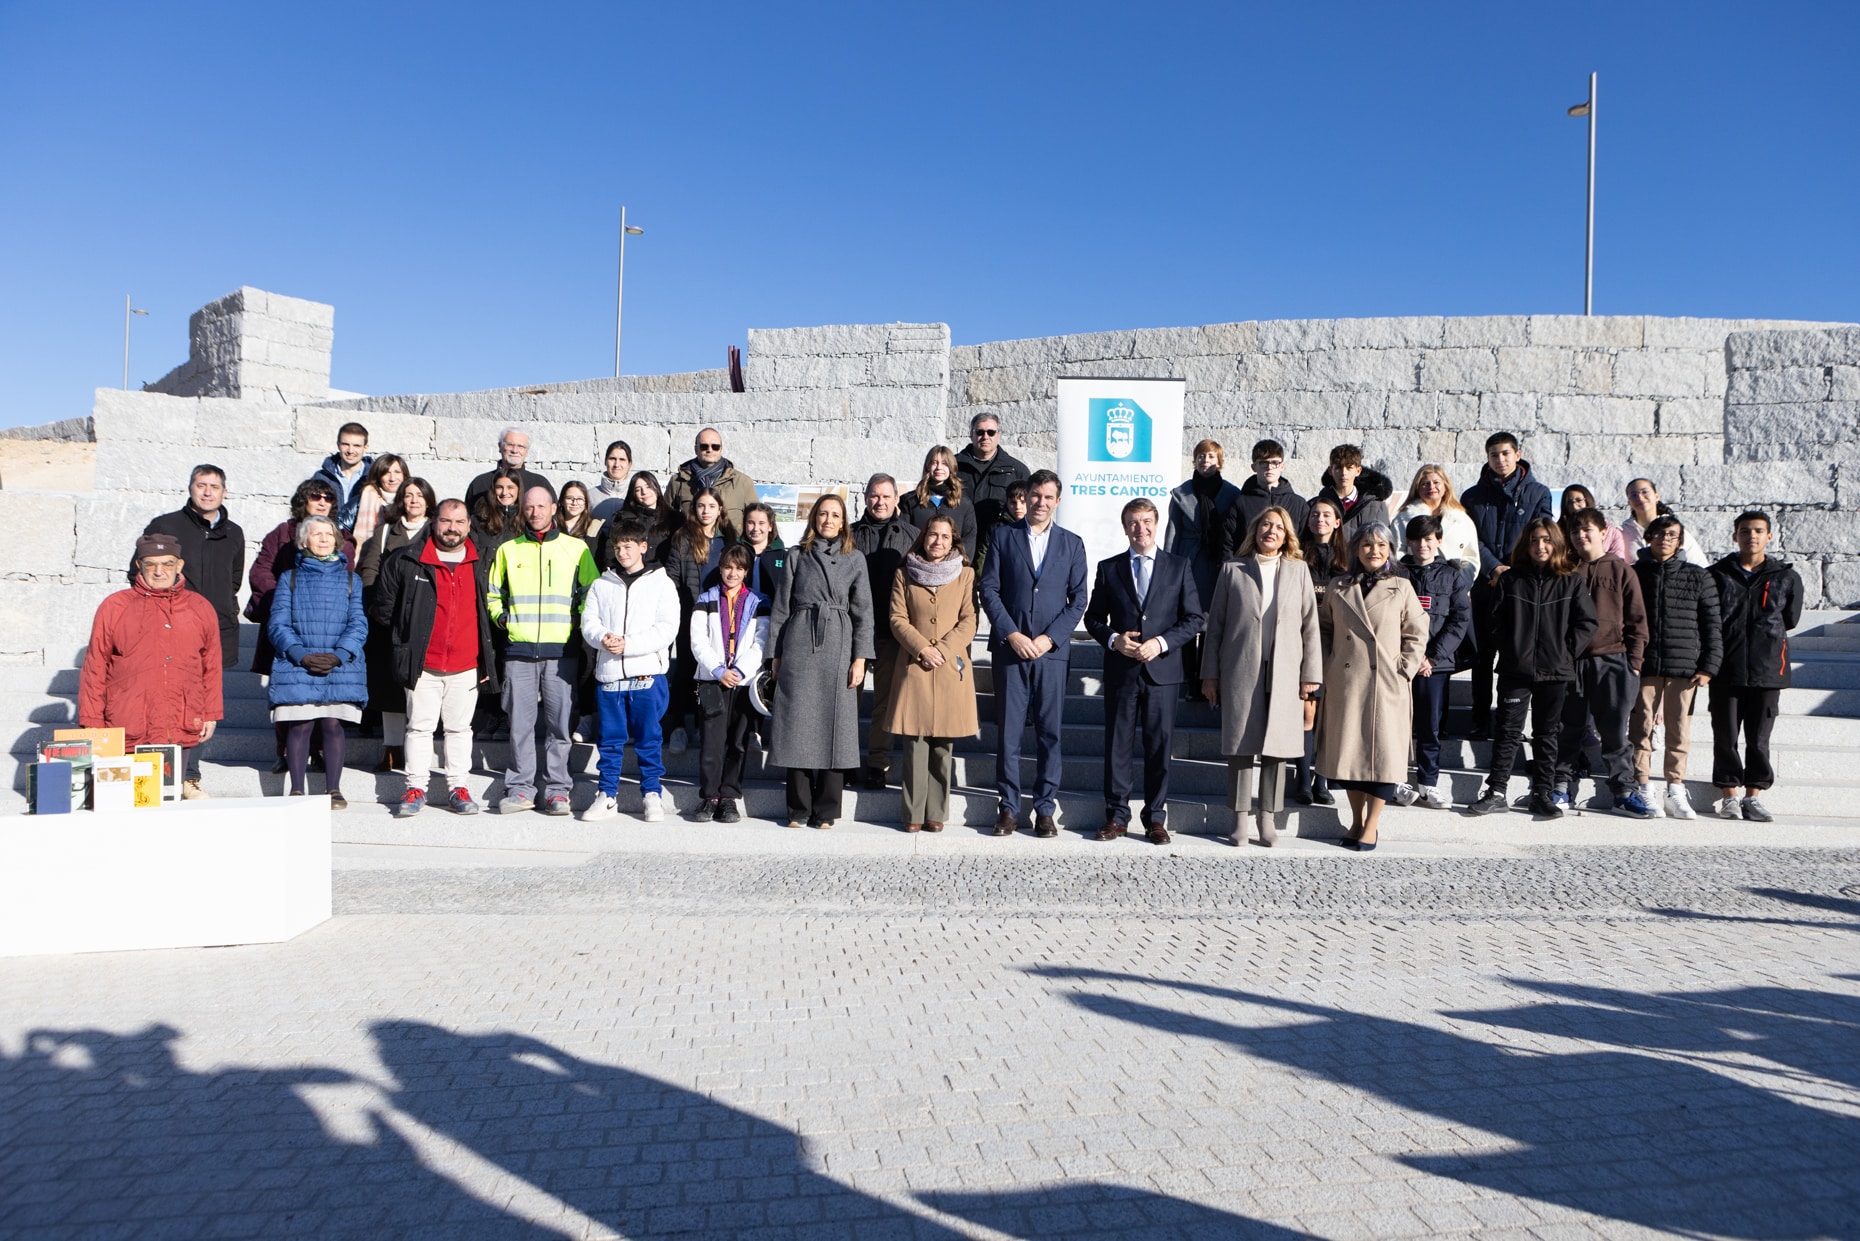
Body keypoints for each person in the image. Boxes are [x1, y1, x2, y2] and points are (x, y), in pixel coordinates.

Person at [1084, 498, 1204, 844]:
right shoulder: (1110, 568)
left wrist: (1162, 643)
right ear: (1125, 528)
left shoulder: (1178, 566)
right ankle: (1117, 816)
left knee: (1158, 748)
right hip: (1122, 671)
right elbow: (1093, 618)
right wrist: (1113, 640)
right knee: (1117, 747)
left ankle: (1155, 818)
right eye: (1134, 523)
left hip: (1162, 673)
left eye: (1147, 521)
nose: (1141, 528)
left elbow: (1194, 618)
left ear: (1156, 523)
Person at [1200, 507, 1323, 847]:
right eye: (1265, 524)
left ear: (1287, 537)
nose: (1271, 531)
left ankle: (1267, 818)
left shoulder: (1299, 571)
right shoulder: (1233, 569)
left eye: (1279, 528)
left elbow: (1310, 625)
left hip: (1285, 669)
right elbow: (1216, 628)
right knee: (1241, 745)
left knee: (1277, 747)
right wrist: (1209, 675)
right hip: (1240, 668)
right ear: (1254, 529)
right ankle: (1240, 818)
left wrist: (1310, 673)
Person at [371, 499, 498, 818]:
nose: (452, 528)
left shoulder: (482, 561)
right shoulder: (408, 559)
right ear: (434, 522)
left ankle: (458, 786)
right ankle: (415, 787)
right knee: (419, 728)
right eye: (445, 521)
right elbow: (384, 610)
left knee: (459, 729)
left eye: (459, 522)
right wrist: (407, 643)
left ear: (469, 525)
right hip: (422, 666)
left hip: (466, 665)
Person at [980, 469, 1088, 838]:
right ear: (1025, 497)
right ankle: (1008, 808)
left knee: (1049, 734)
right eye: (1035, 495)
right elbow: (989, 590)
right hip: (1011, 651)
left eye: (1048, 497)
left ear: (1058, 501)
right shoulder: (1003, 537)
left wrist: (1049, 639)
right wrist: (1011, 633)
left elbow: (1078, 600)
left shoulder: (1072, 544)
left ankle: (1044, 809)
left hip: (1050, 654)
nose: (1040, 502)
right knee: (1009, 733)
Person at [1466, 518, 1597, 819]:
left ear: (1557, 544)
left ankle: (1542, 793)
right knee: (1508, 731)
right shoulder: (1511, 579)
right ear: (1526, 543)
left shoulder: (1571, 579)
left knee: (1547, 733)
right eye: (1535, 540)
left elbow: (1587, 622)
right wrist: (1511, 647)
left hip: (1555, 670)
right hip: (1516, 669)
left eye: (1547, 540)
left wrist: (1565, 653)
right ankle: (1497, 791)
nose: (1541, 546)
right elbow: (1495, 621)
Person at [78, 533, 223, 795]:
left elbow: (211, 665)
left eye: (167, 564)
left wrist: (211, 711)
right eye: (151, 564)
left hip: (179, 720)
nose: (159, 571)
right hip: (128, 721)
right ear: (139, 566)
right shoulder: (115, 606)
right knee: (134, 801)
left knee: (169, 800)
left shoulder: (200, 607)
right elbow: (95, 665)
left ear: (179, 565)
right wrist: (91, 718)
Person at [486, 485, 599, 816]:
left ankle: (556, 790)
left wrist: (574, 625)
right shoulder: (509, 550)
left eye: (541, 506)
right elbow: (493, 593)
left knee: (559, 725)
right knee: (519, 724)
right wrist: (502, 618)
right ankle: (520, 788)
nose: (535, 512)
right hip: (519, 650)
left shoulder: (576, 549)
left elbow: (590, 594)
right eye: (529, 507)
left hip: (560, 651)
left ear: (554, 508)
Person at [1316, 523, 1428, 850]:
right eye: (1366, 545)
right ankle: (1355, 820)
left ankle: (1372, 824)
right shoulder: (1339, 586)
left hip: (1385, 683)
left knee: (1383, 758)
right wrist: (1328, 663)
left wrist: (1404, 667)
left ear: (1391, 549)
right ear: (1355, 550)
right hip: (1347, 683)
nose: (1373, 551)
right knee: (1349, 757)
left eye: (1380, 545)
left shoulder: (1401, 587)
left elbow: (1417, 631)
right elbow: (1323, 629)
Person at [767, 495, 875, 830]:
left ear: (844, 522)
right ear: (813, 518)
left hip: (839, 643)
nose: (828, 520)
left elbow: (864, 612)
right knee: (796, 721)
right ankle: (798, 807)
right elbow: (781, 607)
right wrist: (776, 653)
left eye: (835, 515)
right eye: (823, 514)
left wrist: (860, 659)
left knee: (836, 724)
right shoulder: (796, 556)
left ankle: (826, 809)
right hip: (800, 639)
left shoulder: (855, 558)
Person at [144, 464, 246, 795]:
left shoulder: (234, 532)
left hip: (213, 630)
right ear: (190, 488)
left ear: (224, 492)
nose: (207, 492)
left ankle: (188, 776)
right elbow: (143, 571)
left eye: (214, 487)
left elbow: (234, 580)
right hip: (169, 629)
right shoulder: (166, 526)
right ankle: (163, 771)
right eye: (201, 485)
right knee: (165, 700)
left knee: (200, 706)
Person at [578, 515, 681, 823]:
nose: (622, 552)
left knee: (649, 738)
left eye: (628, 546)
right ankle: (607, 795)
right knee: (609, 740)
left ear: (643, 547)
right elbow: (589, 623)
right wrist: (602, 638)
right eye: (618, 547)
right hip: (610, 675)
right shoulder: (601, 584)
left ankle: (652, 794)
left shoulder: (661, 583)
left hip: (646, 673)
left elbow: (667, 628)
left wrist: (629, 644)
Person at [883, 513, 979, 834]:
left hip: (950, 666)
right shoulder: (904, 573)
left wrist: (945, 649)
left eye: (945, 537)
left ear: (954, 541)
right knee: (915, 743)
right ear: (924, 537)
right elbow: (897, 617)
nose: (938, 542)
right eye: (933, 535)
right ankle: (912, 812)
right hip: (915, 664)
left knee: (942, 745)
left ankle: (936, 812)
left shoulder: (965, 575)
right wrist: (922, 648)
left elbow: (969, 620)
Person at [266, 515, 369, 808]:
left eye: (329, 533)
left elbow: (358, 623)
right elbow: (279, 624)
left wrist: (339, 655)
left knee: (333, 724)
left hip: (338, 665)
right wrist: (300, 654)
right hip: (299, 663)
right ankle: (297, 790)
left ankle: (333, 789)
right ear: (304, 540)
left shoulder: (352, 579)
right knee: (299, 724)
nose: (323, 539)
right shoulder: (290, 578)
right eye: (316, 534)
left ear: (337, 540)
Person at [1708, 510, 1805, 823]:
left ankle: (1754, 795)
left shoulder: (1786, 577)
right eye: (1745, 530)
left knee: (1759, 738)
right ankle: (1729, 795)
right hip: (1726, 667)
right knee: (1725, 735)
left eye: (1759, 531)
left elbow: (1790, 619)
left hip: (1767, 668)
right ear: (1735, 535)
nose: (1752, 536)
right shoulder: (1717, 574)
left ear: (1770, 536)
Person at [1557, 508, 1652, 817]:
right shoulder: (1567, 572)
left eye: (1587, 530)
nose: (1581, 536)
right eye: (1575, 532)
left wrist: (1633, 664)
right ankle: (1560, 786)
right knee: (1567, 728)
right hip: (1572, 662)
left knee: (1614, 732)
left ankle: (1624, 791)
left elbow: (1638, 621)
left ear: (1602, 532)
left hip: (1614, 661)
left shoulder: (1623, 570)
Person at [1461, 432, 1553, 739]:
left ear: (1517, 454)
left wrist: (1513, 570)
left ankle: (1510, 722)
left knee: (1516, 656)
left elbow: (1541, 534)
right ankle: (1479, 719)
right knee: (1483, 655)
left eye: (1504, 454)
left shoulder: (1537, 492)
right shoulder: (1473, 497)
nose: (1499, 460)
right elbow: (1471, 538)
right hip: (1487, 583)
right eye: (1493, 455)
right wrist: (1495, 567)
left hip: (1522, 587)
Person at [1630, 514, 1721, 819]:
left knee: (1678, 730)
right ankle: (1642, 785)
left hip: (1685, 666)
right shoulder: (1634, 573)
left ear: (1680, 541)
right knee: (1641, 727)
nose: (1665, 539)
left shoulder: (1699, 576)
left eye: (1672, 535)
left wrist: (1709, 666)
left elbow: (1712, 625)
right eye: (1659, 534)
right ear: (1648, 537)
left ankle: (1675, 787)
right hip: (1645, 663)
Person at [1392, 514, 1472, 811]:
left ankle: (1428, 783)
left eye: (1428, 539)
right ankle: (1397, 779)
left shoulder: (1451, 575)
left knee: (1430, 726)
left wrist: (1431, 656)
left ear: (1439, 541)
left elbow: (1459, 619)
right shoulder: (1397, 573)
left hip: (1434, 665)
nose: (1422, 545)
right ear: (1408, 542)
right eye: (1416, 539)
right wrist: (1408, 657)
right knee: (1398, 723)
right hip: (1400, 663)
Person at [358, 477, 436, 773]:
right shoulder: (386, 531)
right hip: (388, 620)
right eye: (408, 495)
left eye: (420, 495)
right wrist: (374, 607)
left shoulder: (435, 531)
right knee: (390, 688)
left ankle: (418, 748)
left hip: (424, 619)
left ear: (429, 500)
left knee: (422, 687)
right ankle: (392, 750)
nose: (414, 500)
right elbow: (370, 570)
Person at [689, 544, 768, 823]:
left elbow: (761, 641)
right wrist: (719, 669)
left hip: (743, 682)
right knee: (712, 741)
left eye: (739, 568)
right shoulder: (706, 599)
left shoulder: (759, 602)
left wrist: (739, 670)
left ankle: (729, 797)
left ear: (746, 571)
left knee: (738, 742)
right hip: (713, 680)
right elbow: (697, 641)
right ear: (720, 568)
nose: (732, 573)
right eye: (727, 567)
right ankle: (709, 796)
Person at [851, 474, 919, 789]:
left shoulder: (912, 536)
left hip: (893, 632)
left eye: (886, 496)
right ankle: (847, 760)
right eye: (874, 496)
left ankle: (877, 763)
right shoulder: (848, 534)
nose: (880, 502)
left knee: (884, 702)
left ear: (896, 499)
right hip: (854, 632)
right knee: (848, 699)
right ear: (865, 498)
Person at [660, 488, 736, 755]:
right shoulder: (683, 537)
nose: (706, 511)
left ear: (720, 510)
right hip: (690, 612)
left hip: (720, 615)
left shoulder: (728, 537)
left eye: (711, 506)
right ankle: (679, 726)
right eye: (701, 506)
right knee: (686, 669)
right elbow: (671, 575)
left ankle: (707, 726)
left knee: (714, 668)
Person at [1166, 439, 1240, 693]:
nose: (1205, 461)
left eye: (1210, 457)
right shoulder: (1181, 493)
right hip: (1188, 562)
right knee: (1186, 619)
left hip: (1216, 564)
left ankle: (1206, 679)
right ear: (1194, 461)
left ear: (1219, 461)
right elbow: (1172, 534)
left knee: (1211, 623)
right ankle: (1187, 678)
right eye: (1201, 456)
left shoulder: (1232, 494)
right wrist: (1169, 567)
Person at [1292, 497, 1346, 806]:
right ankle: (1302, 780)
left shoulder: (1349, 556)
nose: (1320, 519)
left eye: (1327, 515)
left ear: (1338, 521)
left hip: (1338, 643)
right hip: (1304, 641)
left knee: (1330, 716)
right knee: (1307, 712)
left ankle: (1321, 780)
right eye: (1315, 514)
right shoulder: (1297, 554)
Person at [954, 413, 1031, 578]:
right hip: (958, 545)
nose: (985, 437)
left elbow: (1027, 514)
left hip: (997, 549)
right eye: (979, 432)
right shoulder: (953, 466)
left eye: (991, 432)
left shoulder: (1016, 470)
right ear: (971, 434)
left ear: (998, 435)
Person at [1392, 464, 1480, 585]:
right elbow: (1396, 554)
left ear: (1446, 486)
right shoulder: (1403, 519)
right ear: (1417, 488)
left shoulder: (1462, 520)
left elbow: (1471, 557)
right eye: (1425, 483)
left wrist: (1459, 584)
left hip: (1452, 588)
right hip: (1414, 587)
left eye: (1436, 482)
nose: (1431, 487)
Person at [1224, 439, 1307, 555]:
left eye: (1275, 463)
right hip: (1248, 567)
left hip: (1287, 568)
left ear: (1282, 466)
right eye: (1264, 463)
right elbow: (1227, 543)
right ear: (1254, 467)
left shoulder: (1298, 504)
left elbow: (1305, 543)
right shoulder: (1240, 502)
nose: (1269, 467)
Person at [665, 427, 757, 530]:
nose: (710, 450)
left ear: (721, 449)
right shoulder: (678, 481)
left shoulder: (743, 482)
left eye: (715, 446)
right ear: (696, 449)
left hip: (730, 544)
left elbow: (756, 519)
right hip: (691, 543)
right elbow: (665, 517)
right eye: (704, 446)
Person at [898, 445, 980, 561]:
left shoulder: (964, 504)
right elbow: (904, 537)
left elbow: (969, 538)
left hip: (953, 569)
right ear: (928, 466)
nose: (939, 468)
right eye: (934, 463)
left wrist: (959, 563)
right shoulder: (911, 502)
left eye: (944, 463)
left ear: (952, 467)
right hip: (918, 566)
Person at [1312, 443, 1392, 547]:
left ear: (1358, 471)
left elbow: (1386, 545)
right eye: (1338, 468)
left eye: (1349, 468)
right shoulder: (1316, 505)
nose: (1343, 473)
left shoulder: (1377, 507)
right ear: (1330, 470)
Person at [464, 427, 552, 513]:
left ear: (527, 451)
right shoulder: (480, 483)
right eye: (510, 445)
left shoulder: (539, 483)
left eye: (521, 446)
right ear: (499, 446)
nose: (515, 450)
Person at [314, 422, 373, 532]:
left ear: (365, 447)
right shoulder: (321, 477)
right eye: (346, 444)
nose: (350, 451)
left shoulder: (374, 477)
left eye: (357, 446)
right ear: (338, 445)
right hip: (329, 539)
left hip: (365, 540)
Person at [1621, 477, 1687, 563]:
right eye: (1633, 495)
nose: (1640, 497)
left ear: (1657, 496)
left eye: (1645, 492)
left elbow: (1699, 564)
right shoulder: (1621, 532)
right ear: (1629, 502)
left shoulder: (1674, 529)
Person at [622, 471, 682, 565]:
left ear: (657, 488)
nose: (644, 492)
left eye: (648, 486)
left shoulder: (675, 518)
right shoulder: (624, 519)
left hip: (665, 575)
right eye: (638, 489)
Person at [1558, 484, 1628, 563]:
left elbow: (1618, 558)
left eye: (1578, 500)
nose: (1574, 505)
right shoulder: (1559, 531)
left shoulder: (1611, 531)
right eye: (1570, 502)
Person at [350, 453, 407, 548]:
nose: (392, 478)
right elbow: (342, 532)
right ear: (378, 477)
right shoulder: (360, 502)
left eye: (397, 472)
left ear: (404, 475)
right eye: (386, 473)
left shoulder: (413, 502)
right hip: (370, 558)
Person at [739, 502, 790, 600]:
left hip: (771, 613)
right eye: (751, 522)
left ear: (770, 526)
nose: (756, 528)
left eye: (761, 523)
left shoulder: (782, 556)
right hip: (741, 612)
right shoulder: (736, 552)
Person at [469, 467, 524, 558]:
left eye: (510, 487)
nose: (504, 492)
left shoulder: (527, 520)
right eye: (499, 487)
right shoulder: (479, 518)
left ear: (518, 490)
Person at [589, 440, 633, 522]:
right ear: (605, 462)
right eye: (612, 459)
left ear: (629, 464)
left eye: (622, 460)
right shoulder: (590, 496)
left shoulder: (637, 496)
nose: (616, 464)